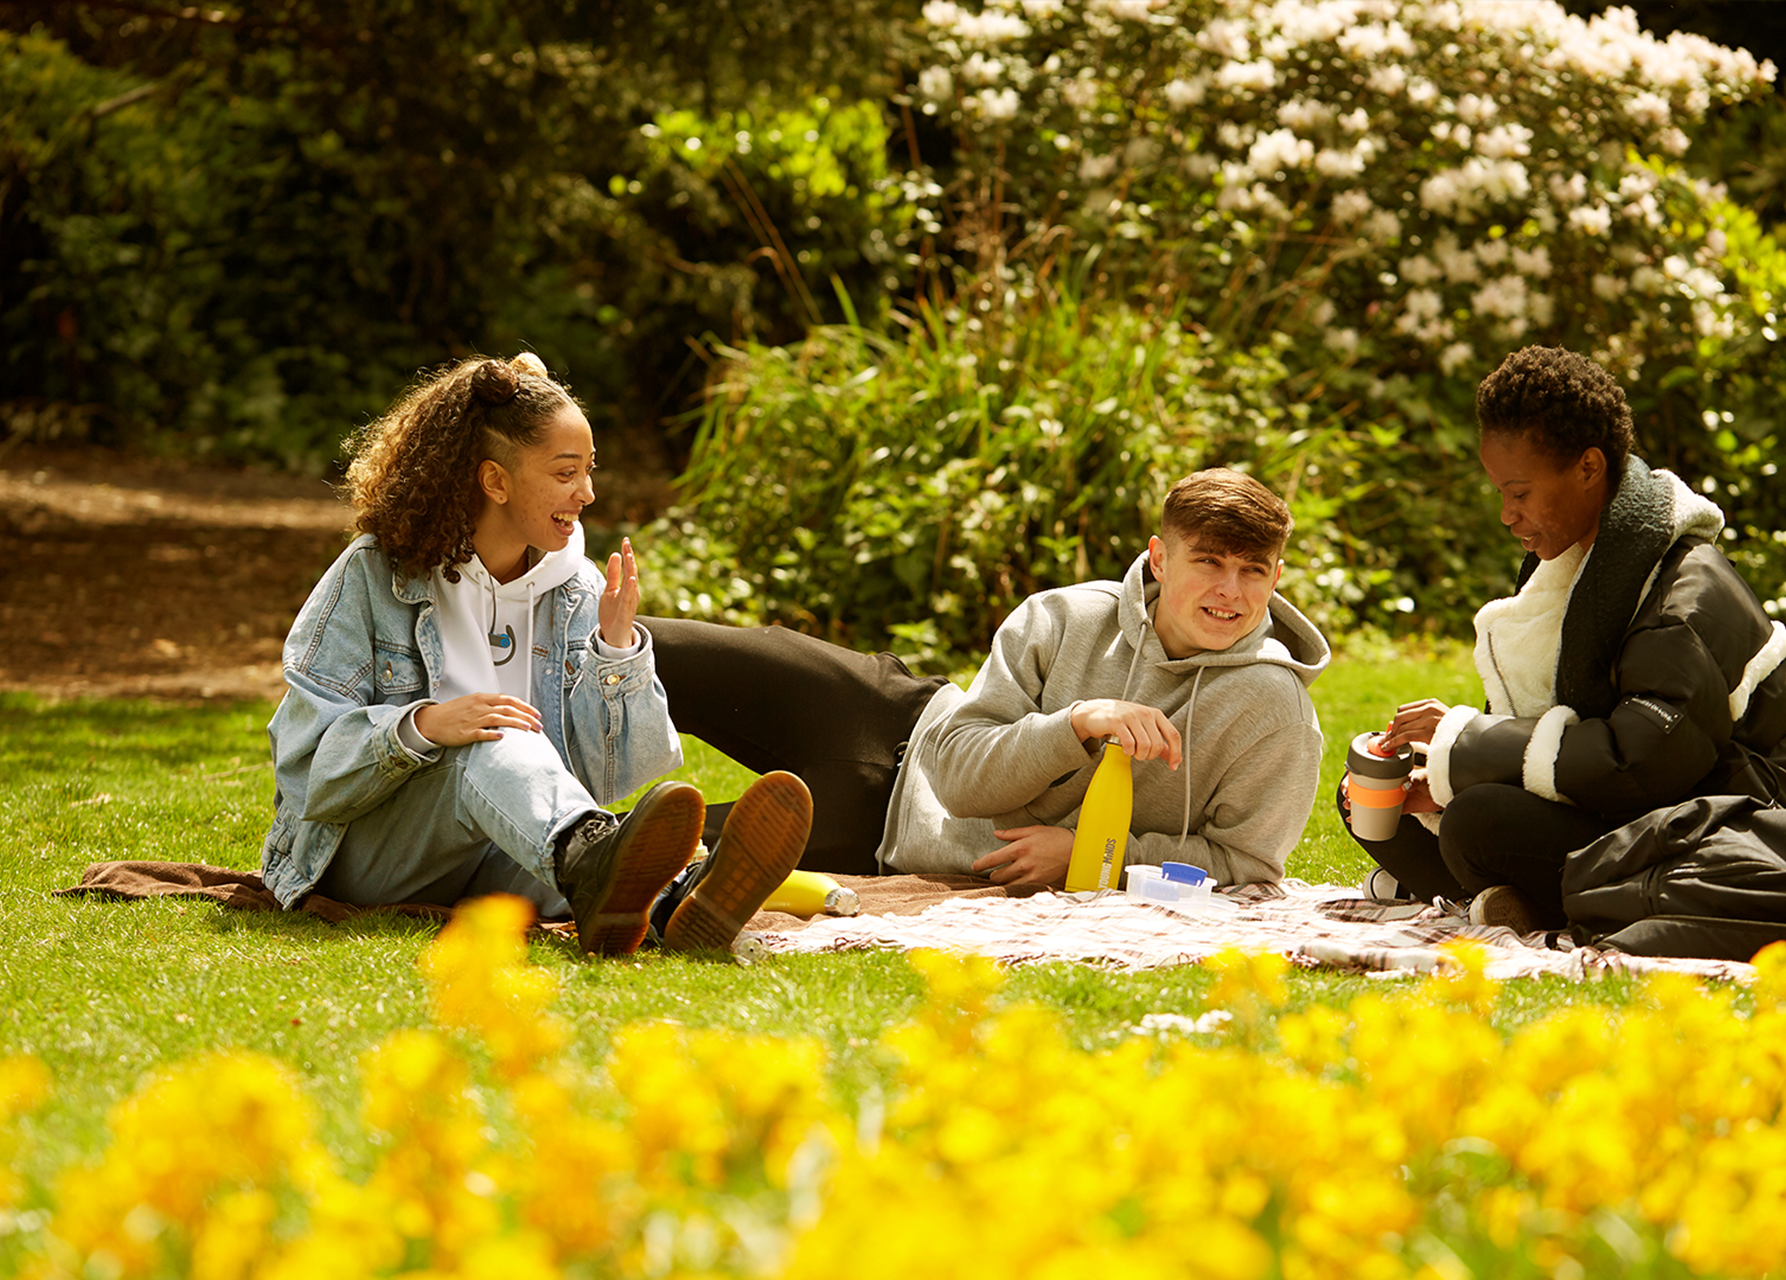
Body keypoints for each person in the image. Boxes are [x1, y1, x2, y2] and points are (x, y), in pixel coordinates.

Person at [258, 352, 810, 956]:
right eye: (566, 472)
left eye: (589, 471)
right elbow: (305, 771)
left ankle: (677, 905)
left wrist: (617, 652)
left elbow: (614, 774)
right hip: (370, 858)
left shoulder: (576, 590)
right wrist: (423, 727)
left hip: (500, 850)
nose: (588, 493)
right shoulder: (374, 575)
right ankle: (611, 866)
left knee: (560, 843)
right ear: (495, 480)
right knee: (493, 737)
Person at [647, 467, 1330, 887]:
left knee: (643, 852)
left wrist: (1092, 855)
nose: (1231, 591)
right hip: (896, 713)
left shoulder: (1274, 710)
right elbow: (962, 770)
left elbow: (1246, 864)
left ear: (1276, 574)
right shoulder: (1066, 616)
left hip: (885, 835)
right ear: (1159, 559)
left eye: (1253, 570)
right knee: (652, 650)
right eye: (1209, 562)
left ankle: (550, 830)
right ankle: (536, 668)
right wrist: (1078, 723)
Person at [1343, 345, 1786, 931]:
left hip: (1727, 827)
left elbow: (1640, 763)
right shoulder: (1579, 562)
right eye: (1500, 494)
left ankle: (1512, 898)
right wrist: (1441, 770)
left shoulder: (1680, 596)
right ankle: (1508, 897)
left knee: (1478, 821)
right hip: (1630, 808)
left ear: (1589, 469)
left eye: (1520, 493)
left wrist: (1465, 746)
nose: (1506, 515)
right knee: (1370, 796)